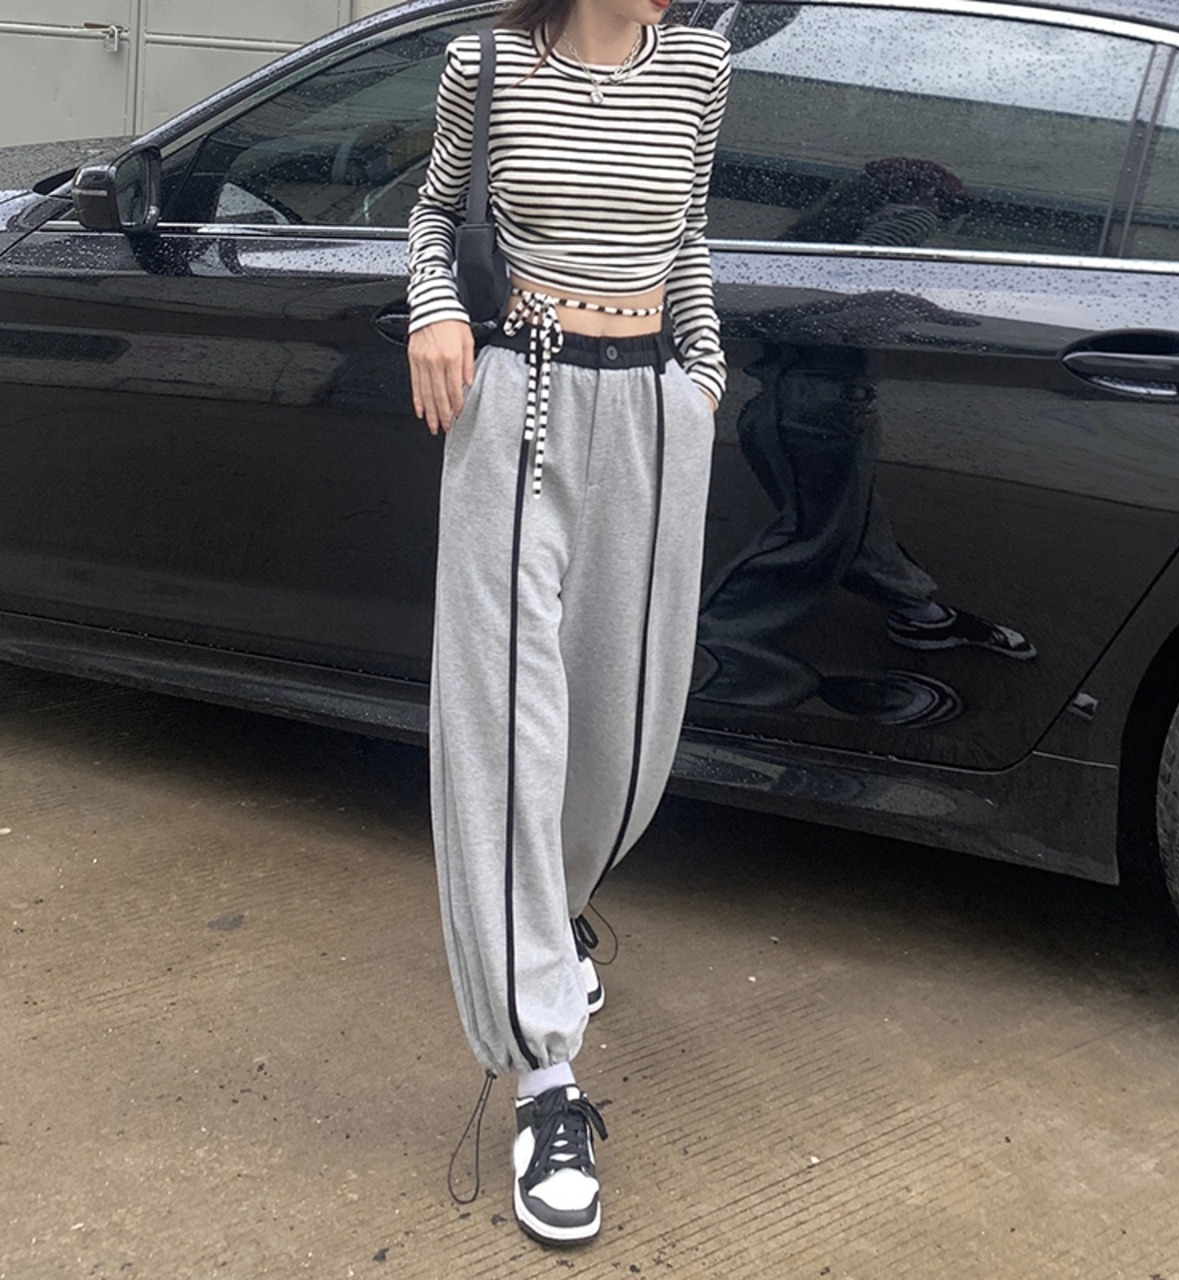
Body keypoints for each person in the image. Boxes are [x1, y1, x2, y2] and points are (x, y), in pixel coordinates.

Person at [404, 0, 731, 1249]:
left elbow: (689, 235)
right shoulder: (483, 63)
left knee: (622, 731)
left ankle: (555, 908)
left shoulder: (696, 67)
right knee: (507, 730)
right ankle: (544, 1073)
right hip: (517, 402)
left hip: (651, 413)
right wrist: (436, 308)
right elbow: (432, 214)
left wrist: (700, 377)